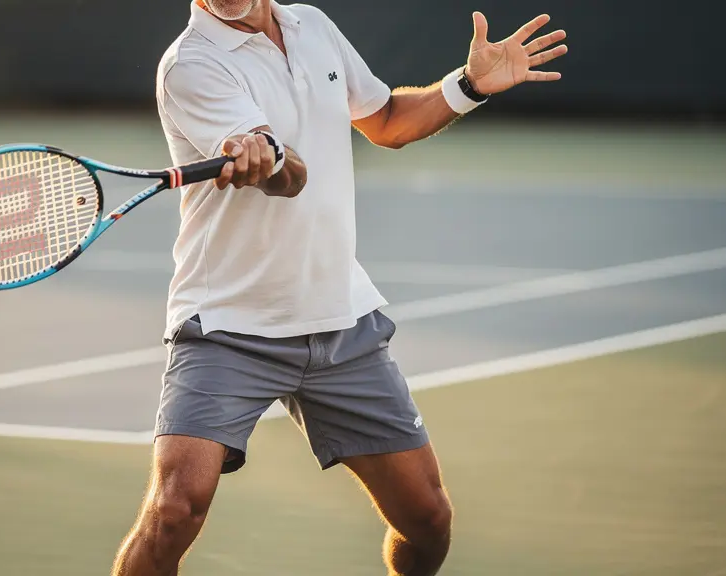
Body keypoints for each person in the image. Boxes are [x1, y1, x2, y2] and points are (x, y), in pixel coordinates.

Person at [112, 1, 568, 574]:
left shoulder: (314, 27)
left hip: (339, 320)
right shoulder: (190, 64)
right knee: (175, 508)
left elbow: (386, 122)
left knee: (427, 520)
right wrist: (265, 156)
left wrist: (469, 85)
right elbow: (288, 178)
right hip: (229, 327)